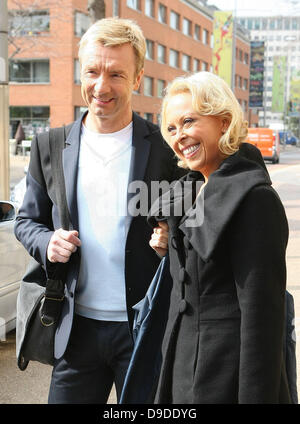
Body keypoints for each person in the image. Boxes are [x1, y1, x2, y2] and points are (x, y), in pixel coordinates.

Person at [14, 17, 184, 404]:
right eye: (92, 71)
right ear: (80, 72)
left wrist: (173, 239)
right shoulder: (49, 146)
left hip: (144, 328)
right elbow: (26, 221)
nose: (101, 86)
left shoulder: (164, 150)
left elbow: (192, 224)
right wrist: (48, 241)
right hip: (76, 330)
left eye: (116, 74)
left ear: (138, 78)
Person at [148, 71, 292, 403]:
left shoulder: (254, 199)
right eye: (171, 128)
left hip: (228, 377)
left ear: (223, 122)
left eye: (188, 121)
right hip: (181, 366)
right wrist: (167, 251)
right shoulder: (191, 190)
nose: (179, 136)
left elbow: (263, 320)